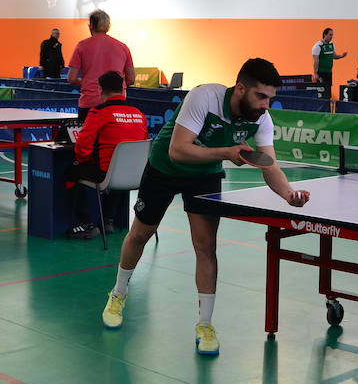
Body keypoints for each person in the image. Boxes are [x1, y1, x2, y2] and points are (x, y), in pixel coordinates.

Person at [101, 58, 311, 356]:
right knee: (140, 234)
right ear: (240, 88)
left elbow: (270, 165)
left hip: (205, 176)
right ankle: (118, 293)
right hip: (165, 167)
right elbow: (178, 149)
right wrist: (226, 152)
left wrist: (289, 194)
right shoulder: (204, 97)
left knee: (205, 246)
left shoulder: (262, 119)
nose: (266, 105)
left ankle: (205, 323)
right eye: (261, 96)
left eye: (270, 99)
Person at [66, 71, 148, 239]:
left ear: (100, 90)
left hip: (108, 175)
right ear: (122, 89)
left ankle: (85, 224)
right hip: (137, 175)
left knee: (72, 171)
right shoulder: (139, 114)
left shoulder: (99, 112)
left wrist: (83, 160)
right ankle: (108, 220)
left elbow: (82, 146)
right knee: (116, 169)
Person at [67, 10, 133, 121]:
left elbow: (71, 78)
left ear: (91, 25)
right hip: (118, 102)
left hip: (90, 101)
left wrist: (86, 83)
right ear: (108, 26)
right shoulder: (123, 47)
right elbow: (131, 79)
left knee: (87, 137)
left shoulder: (82, 46)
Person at [311, 27, 347, 100]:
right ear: (325, 35)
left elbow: (334, 56)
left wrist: (341, 56)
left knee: (328, 92)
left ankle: (327, 108)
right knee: (321, 92)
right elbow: (316, 60)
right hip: (321, 72)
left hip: (329, 72)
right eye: (330, 35)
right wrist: (315, 73)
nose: (331, 37)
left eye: (332, 35)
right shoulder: (318, 46)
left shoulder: (331, 45)